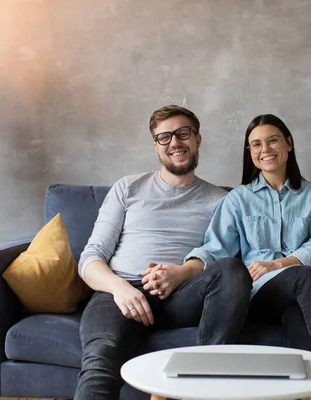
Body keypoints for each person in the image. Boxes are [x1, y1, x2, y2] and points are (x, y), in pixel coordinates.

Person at [174, 114, 311, 400]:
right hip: (258, 294)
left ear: (289, 144)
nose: (265, 149)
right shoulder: (237, 200)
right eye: (255, 144)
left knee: (300, 315)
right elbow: (216, 249)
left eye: (272, 140)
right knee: (305, 277)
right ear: (250, 153)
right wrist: (183, 270)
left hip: (306, 296)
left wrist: (278, 263)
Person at [74, 105, 252, 400]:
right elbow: (90, 258)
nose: (175, 142)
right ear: (155, 145)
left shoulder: (223, 200)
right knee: (100, 360)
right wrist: (120, 289)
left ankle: (203, 380)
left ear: (197, 139)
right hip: (122, 292)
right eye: (164, 137)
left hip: (184, 297)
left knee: (232, 268)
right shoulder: (127, 188)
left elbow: (225, 255)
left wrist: (181, 273)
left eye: (183, 133)